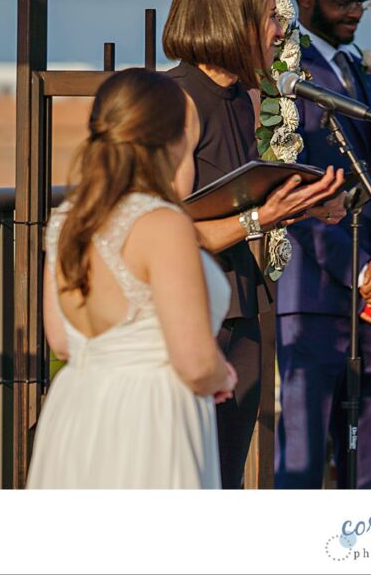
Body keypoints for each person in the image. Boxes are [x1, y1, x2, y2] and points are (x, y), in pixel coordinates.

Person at [163, 0, 346, 489]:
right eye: (269, 17)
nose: (281, 30)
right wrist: (261, 217)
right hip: (194, 319)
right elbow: (165, 234)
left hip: (242, 310)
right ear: (230, 21)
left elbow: (232, 194)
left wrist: (303, 203)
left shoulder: (242, 102)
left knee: (222, 479)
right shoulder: (177, 99)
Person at [27, 69, 237, 488]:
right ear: (174, 138)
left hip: (78, 408)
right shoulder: (162, 223)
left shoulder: (69, 217)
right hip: (150, 417)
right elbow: (195, 362)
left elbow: (63, 341)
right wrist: (221, 375)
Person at [273, 0, 371, 489]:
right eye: (343, 1)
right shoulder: (288, 74)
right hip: (315, 290)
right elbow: (295, 187)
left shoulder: (358, 68)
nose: (355, 12)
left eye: (361, 1)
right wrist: (358, 273)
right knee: (303, 457)